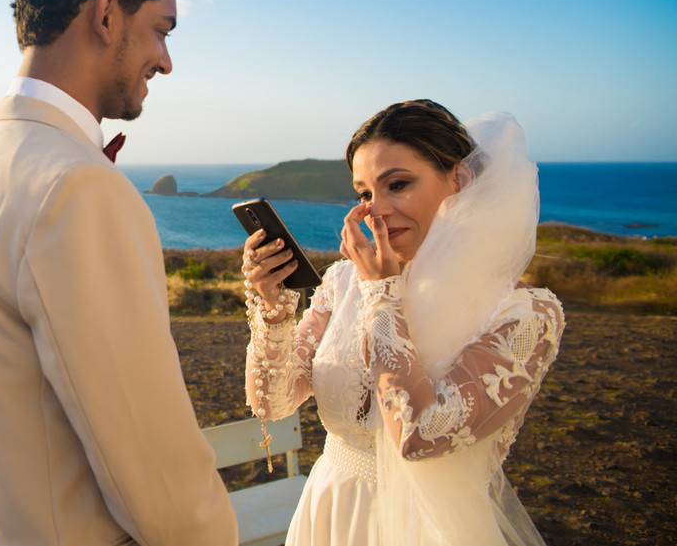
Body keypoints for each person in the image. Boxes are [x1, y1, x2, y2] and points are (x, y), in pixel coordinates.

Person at [0, 0, 237, 546]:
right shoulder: (77, 188)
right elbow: (163, 488)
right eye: (161, 30)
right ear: (105, 13)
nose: (166, 60)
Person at [241, 99, 565, 546]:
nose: (377, 210)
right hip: (331, 511)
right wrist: (275, 309)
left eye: (398, 184)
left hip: (427, 529)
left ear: (460, 181)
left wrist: (382, 293)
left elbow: (421, 435)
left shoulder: (523, 313)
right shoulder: (342, 283)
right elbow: (272, 403)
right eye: (365, 194)